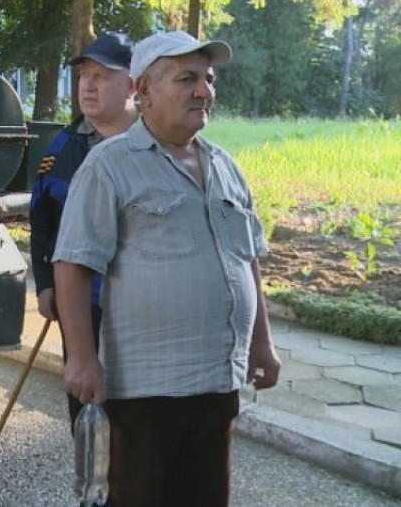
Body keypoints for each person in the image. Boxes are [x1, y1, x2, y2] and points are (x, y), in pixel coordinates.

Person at [52, 31, 282, 506]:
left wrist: (262, 341)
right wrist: (80, 356)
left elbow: (246, 259)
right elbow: (71, 265)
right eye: (187, 79)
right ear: (145, 90)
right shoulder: (110, 165)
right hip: (143, 392)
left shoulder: (224, 165)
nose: (203, 90)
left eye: (208, 79)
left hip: (217, 384)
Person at [29, 31, 138, 433]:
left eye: (103, 76)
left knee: (137, 421)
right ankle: (93, 490)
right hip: (83, 308)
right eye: (84, 76)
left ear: (133, 84)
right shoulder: (63, 145)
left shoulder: (155, 145)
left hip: (141, 310)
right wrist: (44, 282)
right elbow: (41, 219)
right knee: (88, 417)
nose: (88, 85)